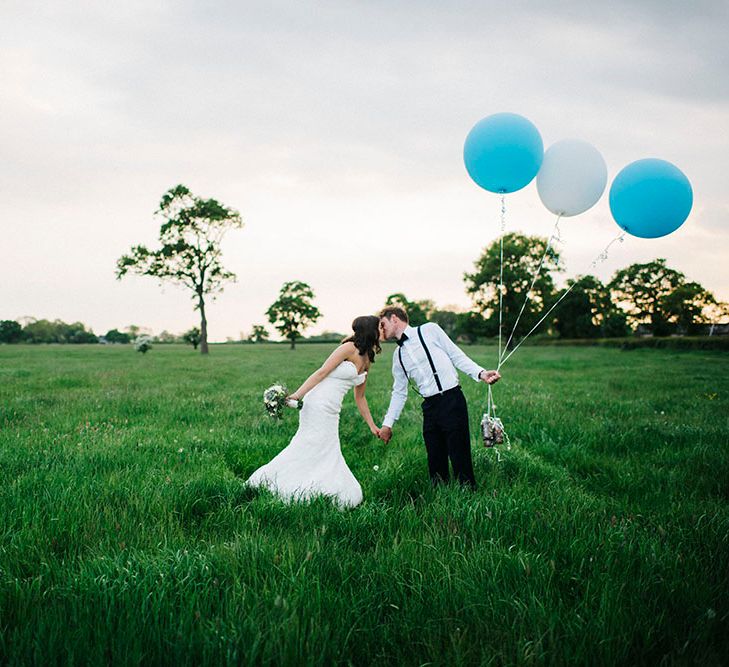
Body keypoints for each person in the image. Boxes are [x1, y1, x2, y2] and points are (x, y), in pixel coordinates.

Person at [247, 315, 382, 508]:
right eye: (379, 327)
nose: (382, 331)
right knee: (310, 443)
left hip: (333, 409)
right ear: (371, 331)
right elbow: (321, 372)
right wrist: (297, 395)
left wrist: (372, 426)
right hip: (317, 403)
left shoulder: (367, 358)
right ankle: (272, 480)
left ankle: (320, 484)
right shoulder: (348, 348)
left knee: (327, 447)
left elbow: (360, 397)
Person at [377, 306, 500, 489]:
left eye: (383, 324)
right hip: (429, 407)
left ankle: (467, 494)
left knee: (459, 453)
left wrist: (481, 373)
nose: (381, 329)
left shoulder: (429, 330)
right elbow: (399, 392)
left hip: (451, 399)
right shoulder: (398, 355)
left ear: (394, 318)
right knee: (435, 456)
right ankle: (440, 495)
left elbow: (456, 355)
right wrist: (388, 424)